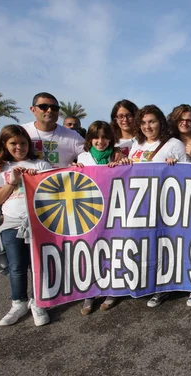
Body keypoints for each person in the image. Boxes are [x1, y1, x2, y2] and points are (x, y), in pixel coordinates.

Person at [0, 125, 52, 326]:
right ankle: (18, 303)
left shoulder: (40, 164)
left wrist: (36, 180)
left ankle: (39, 302)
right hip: (12, 225)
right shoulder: (1, 167)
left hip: (39, 224)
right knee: (17, 267)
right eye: (13, 143)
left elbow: (53, 194)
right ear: (4, 145)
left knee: (39, 265)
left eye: (23, 143)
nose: (19, 147)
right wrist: (12, 182)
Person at [133, 105, 191, 308]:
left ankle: (164, 288)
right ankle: (152, 285)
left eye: (152, 121)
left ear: (160, 123)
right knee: (148, 246)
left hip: (165, 204)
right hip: (140, 204)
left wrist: (174, 165)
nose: (147, 126)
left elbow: (188, 173)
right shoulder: (136, 144)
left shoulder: (173, 144)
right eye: (143, 122)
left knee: (165, 246)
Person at [74, 121, 132, 315]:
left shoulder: (119, 155)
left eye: (105, 137)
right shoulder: (83, 157)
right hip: (89, 213)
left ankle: (112, 290)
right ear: (90, 139)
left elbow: (130, 174)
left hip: (114, 212)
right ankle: (90, 293)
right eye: (96, 137)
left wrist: (122, 165)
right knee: (92, 252)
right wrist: (74, 168)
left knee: (112, 250)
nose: (100, 141)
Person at [0, 92, 85, 170]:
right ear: (33, 110)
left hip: (60, 189)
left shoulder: (73, 136)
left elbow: (90, 156)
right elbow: (2, 153)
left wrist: (78, 165)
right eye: (43, 107)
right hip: (28, 189)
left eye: (54, 108)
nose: (49, 110)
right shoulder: (21, 131)